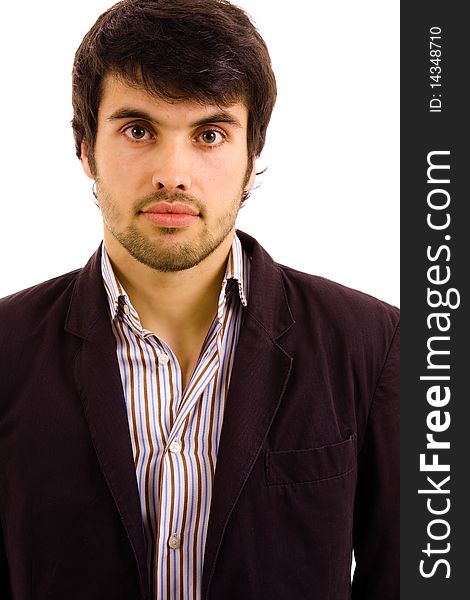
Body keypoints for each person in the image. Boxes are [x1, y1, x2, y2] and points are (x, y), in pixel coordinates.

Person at [0, 0, 399, 598]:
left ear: (251, 154)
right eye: (139, 130)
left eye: (209, 134)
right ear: (85, 146)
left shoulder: (374, 343)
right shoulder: (5, 351)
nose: (172, 172)